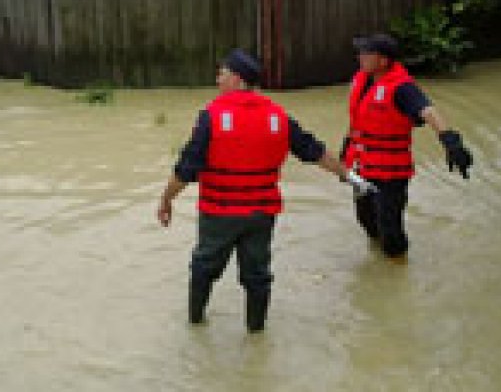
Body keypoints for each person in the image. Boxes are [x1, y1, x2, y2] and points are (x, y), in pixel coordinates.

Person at [157, 48, 375, 333]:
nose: (217, 80)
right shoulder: (278, 116)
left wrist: (166, 199)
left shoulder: (211, 116)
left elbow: (186, 168)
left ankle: (195, 325)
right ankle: (256, 332)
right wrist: (351, 178)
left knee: (203, 269)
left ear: (236, 78)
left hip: (219, 213)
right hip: (261, 213)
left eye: (221, 74)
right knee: (257, 275)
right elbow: (315, 151)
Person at [342, 33, 474, 262]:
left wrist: (451, 141)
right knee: (366, 220)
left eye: (366, 53)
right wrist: (345, 152)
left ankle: (397, 270)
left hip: (390, 173)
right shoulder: (364, 81)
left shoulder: (402, 88)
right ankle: (378, 265)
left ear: (383, 60)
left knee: (390, 231)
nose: (360, 56)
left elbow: (428, 111)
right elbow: (359, 120)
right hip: (362, 166)